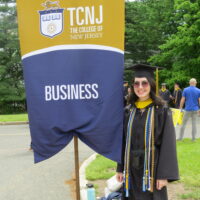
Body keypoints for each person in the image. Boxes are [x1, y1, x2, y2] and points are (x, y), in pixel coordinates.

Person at [116, 64, 179, 200]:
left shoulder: (161, 110)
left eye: (144, 83)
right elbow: (123, 141)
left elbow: (168, 144)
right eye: (136, 84)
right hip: (131, 167)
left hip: (153, 169)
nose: (140, 87)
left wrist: (164, 175)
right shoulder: (128, 111)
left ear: (151, 85)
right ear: (132, 87)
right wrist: (120, 168)